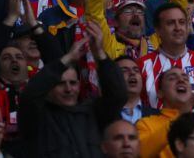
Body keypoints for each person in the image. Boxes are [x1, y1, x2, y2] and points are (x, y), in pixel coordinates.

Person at [18, 22, 127, 157]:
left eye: (73, 83)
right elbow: (30, 94)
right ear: (49, 87)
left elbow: (118, 95)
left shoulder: (93, 113)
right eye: (61, 84)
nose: (69, 89)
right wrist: (68, 58)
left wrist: (99, 53)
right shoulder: (37, 118)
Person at [137, 67, 194, 157]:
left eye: (185, 78)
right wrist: (182, 113)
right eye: (172, 78)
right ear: (160, 93)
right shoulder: (146, 124)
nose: (181, 80)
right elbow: (140, 153)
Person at [138, 3, 194, 109]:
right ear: (158, 31)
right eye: (170, 23)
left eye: (182, 22)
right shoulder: (142, 66)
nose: (177, 28)